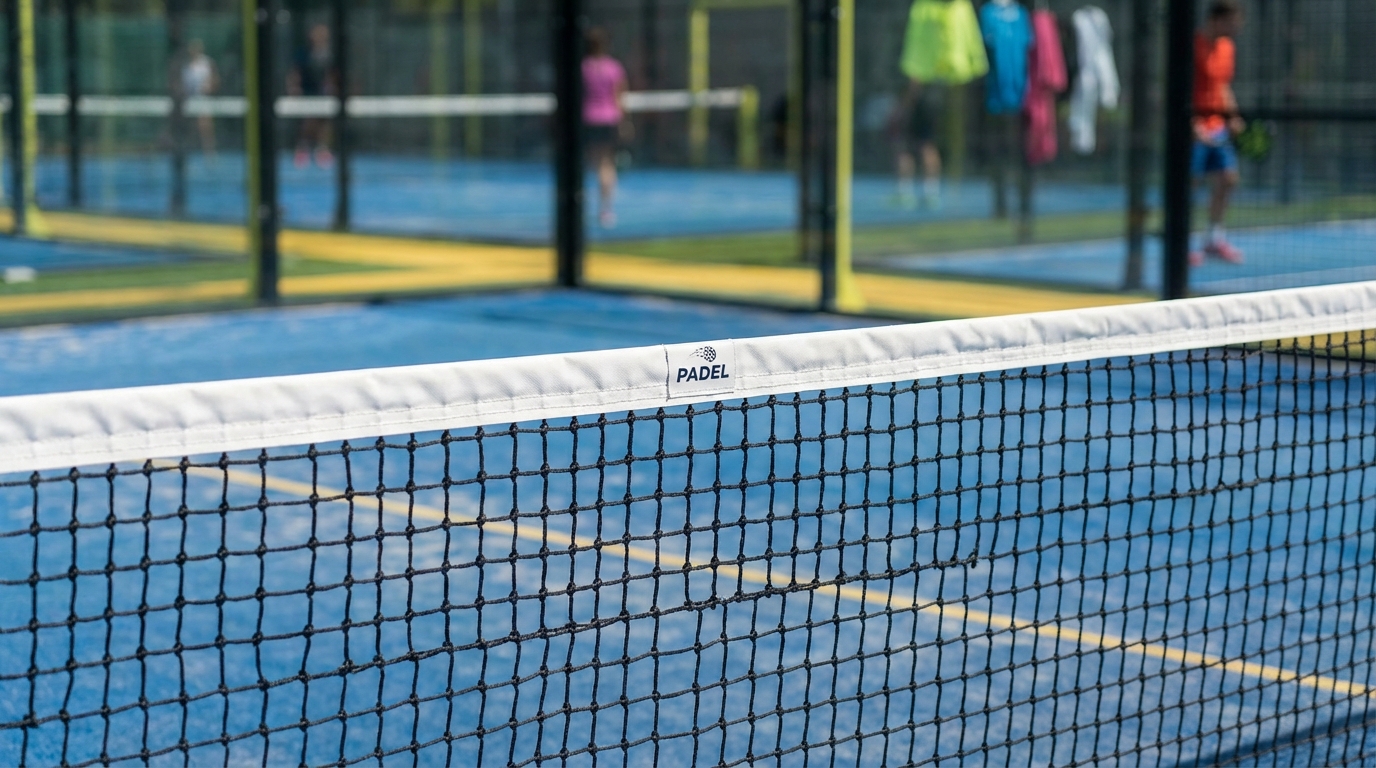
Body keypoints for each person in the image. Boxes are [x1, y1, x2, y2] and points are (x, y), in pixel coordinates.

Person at [888, 0, 987, 210]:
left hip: (920, 96)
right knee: (923, 144)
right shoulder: (934, 16)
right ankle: (923, 192)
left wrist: (904, 105)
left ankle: (912, 191)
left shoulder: (927, 17)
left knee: (910, 145)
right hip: (930, 93)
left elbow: (916, 71)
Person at [1191, 0, 1246, 265]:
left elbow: (1222, 86)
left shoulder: (1227, 48)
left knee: (1228, 178)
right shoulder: (1192, 45)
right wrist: (1192, 126)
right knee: (1190, 184)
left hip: (1218, 127)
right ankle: (1184, 243)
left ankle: (1213, 239)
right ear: (1216, 19)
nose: (1237, 27)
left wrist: (1233, 117)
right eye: (1232, 21)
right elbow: (1180, 87)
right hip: (1194, 129)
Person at [582, 28, 629, 228]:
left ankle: (588, 207)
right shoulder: (614, 68)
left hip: (588, 119)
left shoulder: (582, 67)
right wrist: (624, 122)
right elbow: (620, 97)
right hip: (609, 119)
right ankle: (606, 209)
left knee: (591, 163)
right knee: (606, 165)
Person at [287, 23, 336, 169]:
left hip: (324, 94)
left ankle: (323, 149)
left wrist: (332, 87)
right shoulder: (303, 53)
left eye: (323, 33)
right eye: (317, 33)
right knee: (309, 120)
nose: (320, 36)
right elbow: (295, 72)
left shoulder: (330, 54)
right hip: (307, 93)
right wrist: (293, 87)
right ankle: (302, 148)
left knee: (325, 122)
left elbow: (333, 74)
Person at [180, 39, 218, 155]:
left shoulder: (207, 63)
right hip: (189, 100)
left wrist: (209, 87)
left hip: (203, 99)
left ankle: (209, 152)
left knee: (205, 125)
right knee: (188, 126)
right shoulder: (186, 66)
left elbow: (215, 80)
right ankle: (188, 151)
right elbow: (183, 85)